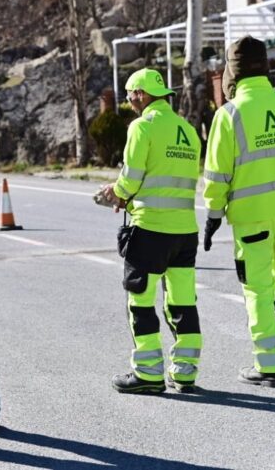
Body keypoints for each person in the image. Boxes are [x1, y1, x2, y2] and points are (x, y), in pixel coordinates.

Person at [203, 36, 275, 387]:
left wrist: (212, 217)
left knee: (257, 287)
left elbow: (216, 174)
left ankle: (268, 365)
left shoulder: (229, 115)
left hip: (251, 216)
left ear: (231, 74)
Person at [99, 68, 202, 394]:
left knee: (140, 302)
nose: (129, 103)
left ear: (142, 94)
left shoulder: (142, 127)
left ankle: (147, 373)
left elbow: (130, 179)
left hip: (150, 230)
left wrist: (114, 193)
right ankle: (185, 373)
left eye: (131, 96)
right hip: (185, 230)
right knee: (183, 302)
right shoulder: (187, 130)